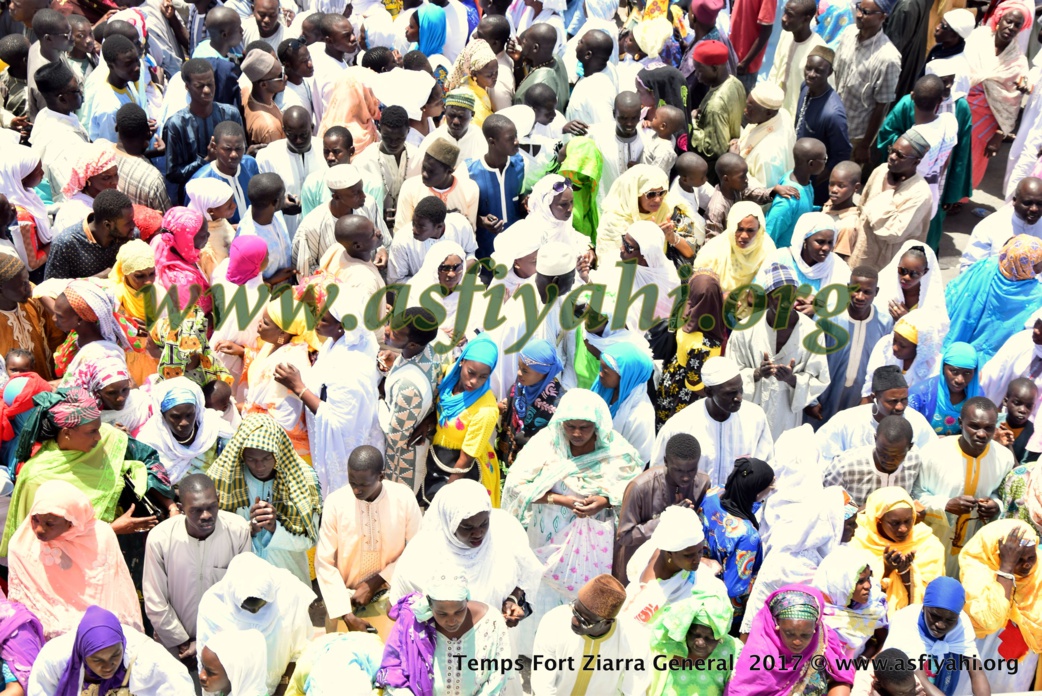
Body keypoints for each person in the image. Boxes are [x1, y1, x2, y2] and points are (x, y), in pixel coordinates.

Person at [501, 390, 642, 639]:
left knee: (583, 593)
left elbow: (632, 487)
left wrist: (606, 501)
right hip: (548, 537)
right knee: (544, 586)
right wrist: (560, 500)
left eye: (584, 428)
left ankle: (576, 644)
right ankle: (540, 645)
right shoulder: (547, 444)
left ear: (597, 425)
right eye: (570, 427)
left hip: (591, 545)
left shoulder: (615, 450)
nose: (576, 434)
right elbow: (516, 486)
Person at [0, 386, 175, 556]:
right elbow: (41, 542)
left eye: (98, 428)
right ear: (67, 432)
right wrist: (112, 529)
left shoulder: (108, 438)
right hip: (82, 565)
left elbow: (147, 458)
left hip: (132, 547)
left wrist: (171, 506)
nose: (99, 436)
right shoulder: (37, 477)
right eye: (92, 432)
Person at [389, 479, 542, 633]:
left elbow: (528, 572)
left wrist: (513, 600)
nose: (478, 533)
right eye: (467, 527)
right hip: (442, 648)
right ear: (449, 522)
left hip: (497, 643)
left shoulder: (504, 531)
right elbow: (397, 607)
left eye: (484, 523)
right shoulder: (423, 552)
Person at [273, 285, 380, 498]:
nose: (315, 321)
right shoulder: (341, 343)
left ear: (342, 326)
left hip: (344, 455)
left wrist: (298, 388)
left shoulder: (349, 366)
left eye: (323, 318)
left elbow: (340, 424)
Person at [142, 474, 251, 672]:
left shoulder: (237, 531)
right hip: (176, 649)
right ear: (182, 509)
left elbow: (242, 594)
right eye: (196, 510)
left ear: (218, 500)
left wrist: (206, 641)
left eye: (211, 507)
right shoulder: (160, 538)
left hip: (224, 644)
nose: (206, 515)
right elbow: (155, 601)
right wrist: (182, 642)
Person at [7, 480, 142, 639]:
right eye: (35, 519)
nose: (39, 530)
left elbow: (111, 595)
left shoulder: (101, 537)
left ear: (70, 521)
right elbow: (24, 605)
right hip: (46, 636)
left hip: (98, 635)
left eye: (50, 524)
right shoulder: (22, 544)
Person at [315, 444, 421, 639]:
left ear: (381, 476)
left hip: (391, 598)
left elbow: (418, 550)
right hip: (345, 601)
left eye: (363, 484)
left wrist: (375, 582)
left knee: (388, 661)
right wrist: (346, 614)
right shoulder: (335, 503)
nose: (356, 489)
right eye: (351, 481)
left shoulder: (403, 498)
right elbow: (324, 562)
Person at [206, 414, 321, 584]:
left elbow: (309, 540)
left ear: (278, 451)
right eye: (251, 459)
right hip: (243, 579)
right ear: (242, 455)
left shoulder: (304, 479)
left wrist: (275, 528)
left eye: (267, 458)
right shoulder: (225, 479)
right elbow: (213, 535)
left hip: (288, 577)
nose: (259, 466)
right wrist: (246, 530)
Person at [914, 397, 1014, 577]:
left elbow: (1001, 495)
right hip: (932, 545)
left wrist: (995, 506)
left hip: (974, 551)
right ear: (961, 423)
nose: (982, 434)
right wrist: (945, 505)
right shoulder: (933, 453)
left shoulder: (1004, 458)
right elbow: (915, 495)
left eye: (988, 428)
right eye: (974, 426)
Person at [730, 263, 831, 438]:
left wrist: (792, 380)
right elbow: (731, 373)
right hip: (751, 411)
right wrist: (756, 373)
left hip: (787, 416)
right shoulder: (745, 330)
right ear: (768, 297)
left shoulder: (812, 332)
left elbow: (819, 377)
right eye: (779, 296)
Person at [196, 552, 316, 696]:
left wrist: (282, 688)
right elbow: (208, 662)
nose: (254, 612)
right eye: (246, 607)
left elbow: (300, 650)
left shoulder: (289, 594)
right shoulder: (214, 605)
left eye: (261, 606)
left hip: (283, 688)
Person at [378, 579, 515, 696]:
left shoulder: (491, 621)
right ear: (430, 605)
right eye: (442, 614)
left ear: (466, 600)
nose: (451, 621)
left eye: (459, 611)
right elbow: (393, 671)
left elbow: (500, 674)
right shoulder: (412, 622)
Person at [653, 356, 774, 485]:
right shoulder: (681, 424)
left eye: (740, 390)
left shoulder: (755, 417)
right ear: (709, 392)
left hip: (742, 504)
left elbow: (767, 463)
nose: (739, 398)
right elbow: (658, 472)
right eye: (730, 393)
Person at [28, 606, 195, 696]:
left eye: (115, 655)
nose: (108, 666)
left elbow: (179, 685)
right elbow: (39, 690)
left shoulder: (144, 653)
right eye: (97, 660)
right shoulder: (55, 657)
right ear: (83, 655)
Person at [531, 575, 652, 696]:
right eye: (575, 610)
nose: (574, 621)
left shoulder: (634, 639)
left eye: (585, 621)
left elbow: (635, 690)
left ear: (607, 623)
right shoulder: (554, 621)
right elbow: (542, 683)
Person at [615, 433, 711, 584]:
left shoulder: (703, 482)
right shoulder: (640, 487)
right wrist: (666, 520)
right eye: (679, 470)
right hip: (638, 570)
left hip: (680, 573)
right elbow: (624, 537)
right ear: (666, 462)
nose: (686, 477)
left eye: (691, 470)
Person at [728, 585, 856, 696]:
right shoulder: (759, 655)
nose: (797, 642)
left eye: (805, 635)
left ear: (815, 626)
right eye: (789, 633)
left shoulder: (823, 638)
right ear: (776, 624)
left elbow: (841, 677)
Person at [423, 333, 500, 505]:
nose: (474, 382)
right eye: (470, 373)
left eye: (483, 377)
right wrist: (427, 421)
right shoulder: (450, 375)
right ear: (462, 361)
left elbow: (466, 458)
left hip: (464, 471)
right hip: (440, 457)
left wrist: (445, 498)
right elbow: (440, 406)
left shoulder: (486, 409)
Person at [880, 577, 990, 696]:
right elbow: (921, 680)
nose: (941, 625)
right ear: (924, 607)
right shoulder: (905, 621)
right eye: (935, 616)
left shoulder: (961, 623)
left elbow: (977, 672)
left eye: (950, 620)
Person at [700, 457, 775, 628]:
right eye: (769, 488)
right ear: (756, 493)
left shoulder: (713, 494)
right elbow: (735, 588)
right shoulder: (747, 535)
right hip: (723, 609)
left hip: (699, 578)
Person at [964, 1, 1031, 189]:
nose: (1011, 28)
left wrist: (1000, 135)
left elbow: (1013, 102)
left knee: (974, 157)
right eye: (1008, 21)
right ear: (999, 19)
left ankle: (959, 198)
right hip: (959, 107)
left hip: (986, 119)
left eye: (1017, 25)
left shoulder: (1018, 61)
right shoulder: (977, 38)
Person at [946, 235, 1042, 363]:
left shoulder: (985, 266)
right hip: (992, 364)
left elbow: (953, 293)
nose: (1040, 269)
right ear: (1025, 264)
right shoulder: (1035, 295)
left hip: (953, 347)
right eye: (1037, 264)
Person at [851, 487, 946, 615]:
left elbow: (932, 597)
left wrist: (906, 573)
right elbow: (852, 593)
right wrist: (886, 569)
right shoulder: (857, 540)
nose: (903, 529)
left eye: (908, 521)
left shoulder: (928, 544)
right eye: (895, 523)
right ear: (878, 520)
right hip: (868, 621)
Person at [818, 365, 938, 466]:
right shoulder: (847, 421)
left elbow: (931, 456)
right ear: (874, 397)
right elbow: (823, 457)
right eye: (892, 401)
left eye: (904, 400)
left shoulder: (916, 421)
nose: (900, 407)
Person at [847, 132, 934, 271]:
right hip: (859, 250)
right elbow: (862, 206)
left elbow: (892, 233)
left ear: (916, 162)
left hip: (885, 264)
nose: (892, 157)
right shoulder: (881, 171)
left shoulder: (921, 193)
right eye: (891, 151)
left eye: (900, 155)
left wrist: (887, 192)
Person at [654, 270, 728, 428]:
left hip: (672, 376)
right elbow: (695, 385)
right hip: (684, 395)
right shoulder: (701, 345)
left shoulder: (688, 317)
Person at [381, 307, 443, 494]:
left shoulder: (409, 388)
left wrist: (376, 399)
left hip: (402, 465)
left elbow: (395, 438)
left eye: (396, 332)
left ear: (413, 345)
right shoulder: (430, 352)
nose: (387, 330)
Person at [832, 0, 901, 166]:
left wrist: (864, 145)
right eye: (858, 8)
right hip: (831, 123)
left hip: (853, 136)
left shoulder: (888, 58)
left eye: (866, 12)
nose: (858, 15)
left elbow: (881, 106)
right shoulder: (848, 33)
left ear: (883, 16)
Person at [162, 60, 243, 200]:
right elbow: (173, 174)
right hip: (195, 200)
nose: (207, 91)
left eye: (210, 84)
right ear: (187, 86)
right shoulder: (176, 124)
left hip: (230, 195)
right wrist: (206, 160)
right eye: (199, 86)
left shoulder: (230, 114)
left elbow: (242, 154)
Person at [595, 167, 697, 273]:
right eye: (651, 194)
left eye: (662, 193)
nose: (658, 200)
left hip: (662, 280)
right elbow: (609, 266)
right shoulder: (614, 219)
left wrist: (671, 237)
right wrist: (647, 241)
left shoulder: (669, 210)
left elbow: (689, 252)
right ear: (634, 193)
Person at [136, 378, 234, 484]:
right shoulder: (150, 440)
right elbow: (149, 482)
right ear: (162, 415)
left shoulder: (215, 429)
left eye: (189, 415)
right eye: (176, 417)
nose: (184, 422)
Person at [645, 589, 740, 696]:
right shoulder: (666, 642)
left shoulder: (732, 651)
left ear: (720, 638)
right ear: (684, 629)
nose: (700, 642)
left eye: (709, 638)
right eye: (695, 634)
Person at [813, 539, 889, 659]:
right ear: (840, 583)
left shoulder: (873, 605)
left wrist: (863, 660)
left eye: (868, 578)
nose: (868, 586)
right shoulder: (817, 616)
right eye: (860, 581)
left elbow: (881, 641)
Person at [796, 47, 852, 206]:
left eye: (818, 71)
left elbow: (841, 154)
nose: (811, 74)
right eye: (808, 68)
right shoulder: (805, 87)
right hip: (800, 171)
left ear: (829, 73)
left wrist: (813, 179)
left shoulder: (833, 114)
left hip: (815, 182)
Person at [823, 415, 919, 508]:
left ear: (909, 447)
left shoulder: (914, 461)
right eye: (883, 453)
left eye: (896, 455)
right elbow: (824, 503)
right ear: (875, 439)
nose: (888, 460)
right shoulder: (844, 467)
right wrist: (855, 515)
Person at [498, 338, 563, 469]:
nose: (518, 373)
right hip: (506, 450)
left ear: (544, 373)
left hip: (531, 464)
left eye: (525, 370)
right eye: (519, 367)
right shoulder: (523, 383)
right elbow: (513, 400)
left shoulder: (557, 403)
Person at [44, 189, 136, 281]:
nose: (133, 226)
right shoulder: (65, 244)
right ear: (107, 225)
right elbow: (50, 290)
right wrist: (102, 276)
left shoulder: (131, 236)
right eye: (128, 223)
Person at [696, 201, 777, 303]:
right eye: (739, 229)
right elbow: (698, 283)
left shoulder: (767, 248)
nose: (744, 236)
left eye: (750, 230)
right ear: (731, 226)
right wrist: (720, 296)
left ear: (759, 229)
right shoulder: (714, 249)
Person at [395, 139, 480, 236]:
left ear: (449, 171)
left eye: (431, 171)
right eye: (424, 168)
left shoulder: (469, 189)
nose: (424, 174)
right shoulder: (410, 187)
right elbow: (401, 230)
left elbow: (470, 232)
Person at [686, 40, 745, 173]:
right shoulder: (735, 82)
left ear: (714, 68)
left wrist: (692, 123)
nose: (697, 76)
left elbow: (713, 150)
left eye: (700, 71)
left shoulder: (715, 106)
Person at [960, 177, 1042, 272]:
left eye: (1040, 204)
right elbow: (970, 269)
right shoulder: (990, 226)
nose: (1034, 209)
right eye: (1027, 203)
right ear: (1014, 201)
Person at [591, 342, 655, 463]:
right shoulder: (604, 389)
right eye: (601, 368)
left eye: (605, 371)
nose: (600, 374)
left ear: (625, 377)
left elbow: (638, 458)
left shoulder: (640, 416)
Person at [0, 256, 62, 381]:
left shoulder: (35, 297)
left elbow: (56, 336)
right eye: (22, 284)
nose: (29, 286)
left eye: (27, 280)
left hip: (51, 383)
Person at [190, 121, 259, 226]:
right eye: (227, 149)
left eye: (239, 148)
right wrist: (229, 230)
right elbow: (194, 225)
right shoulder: (201, 181)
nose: (234, 154)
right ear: (214, 146)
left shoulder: (250, 164)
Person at [764, 139, 829, 246]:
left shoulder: (804, 182)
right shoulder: (788, 200)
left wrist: (822, 209)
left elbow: (802, 210)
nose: (826, 161)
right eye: (824, 159)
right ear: (811, 164)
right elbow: (769, 235)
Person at [908, 342, 981, 435]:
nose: (960, 380)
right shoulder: (919, 395)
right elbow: (908, 432)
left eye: (967, 373)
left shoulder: (977, 396)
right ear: (943, 367)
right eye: (954, 371)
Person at [0, 145, 52, 274]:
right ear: (22, 178)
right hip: (38, 276)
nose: (43, 173)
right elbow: (31, 263)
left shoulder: (26, 195)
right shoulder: (20, 217)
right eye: (39, 171)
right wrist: (57, 241)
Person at [769, 0, 827, 114]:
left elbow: (823, 93)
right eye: (784, 12)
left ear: (806, 19)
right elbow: (775, 70)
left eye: (790, 15)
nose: (784, 18)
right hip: (776, 111)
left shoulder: (819, 50)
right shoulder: (786, 34)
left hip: (799, 117)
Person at [151, 206, 212, 315]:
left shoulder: (161, 241)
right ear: (186, 240)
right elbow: (192, 327)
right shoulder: (185, 281)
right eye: (203, 235)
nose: (208, 235)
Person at [737, 83, 797, 191]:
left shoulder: (767, 155)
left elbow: (764, 192)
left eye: (750, 108)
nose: (745, 111)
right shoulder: (782, 114)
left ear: (769, 113)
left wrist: (735, 160)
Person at [875, 241, 947, 325]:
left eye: (914, 274)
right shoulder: (882, 286)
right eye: (902, 270)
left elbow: (935, 330)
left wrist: (907, 320)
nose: (906, 277)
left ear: (925, 272)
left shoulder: (931, 299)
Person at [565, 30, 619, 127]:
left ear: (588, 55)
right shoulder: (609, 67)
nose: (578, 42)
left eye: (581, 42)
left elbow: (606, 128)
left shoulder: (596, 91)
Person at [513, 23, 569, 113]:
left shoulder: (540, 85)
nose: (521, 44)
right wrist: (518, 60)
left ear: (535, 48)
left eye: (524, 41)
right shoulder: (556, 59)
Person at [197, 629, 269, 696]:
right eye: (203, 666)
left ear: (233, 673)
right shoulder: (226, 691)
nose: (201, 676)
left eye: (210, 672)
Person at [241, 50, 285, 146]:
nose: (285, 77)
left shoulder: (246, 91)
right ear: (264, 84)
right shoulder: (270, 128)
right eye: (280, 76)